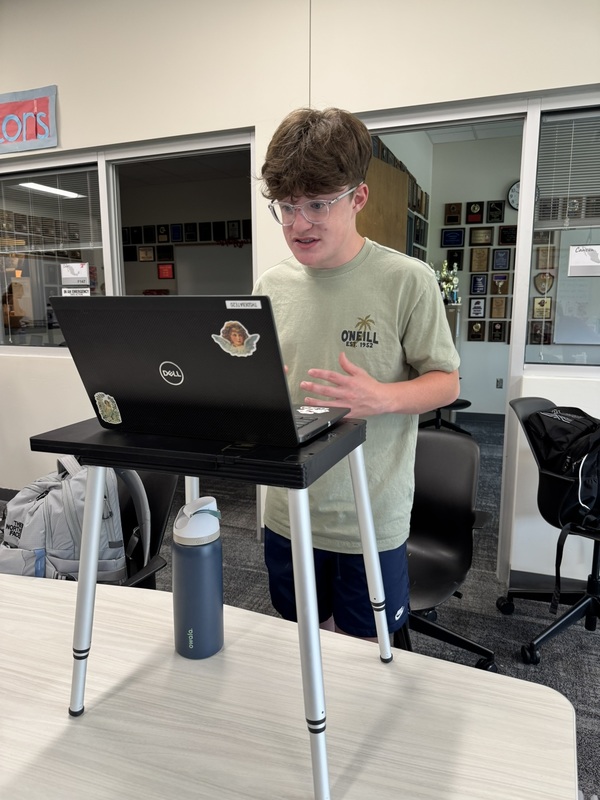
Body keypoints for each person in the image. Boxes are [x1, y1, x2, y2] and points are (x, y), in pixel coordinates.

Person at [253, 107, 460, 641]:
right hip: (288, 509)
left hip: (368, 515)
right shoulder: (270, 286)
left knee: (368, 655)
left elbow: (447, 382)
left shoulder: (408, 281)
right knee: (306, 639)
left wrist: (382, 397)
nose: (299, 224)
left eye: (317, 204)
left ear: (358, 198)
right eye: (287, 206)